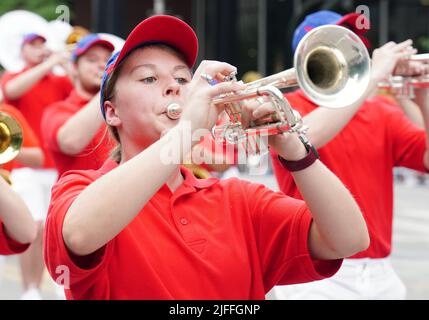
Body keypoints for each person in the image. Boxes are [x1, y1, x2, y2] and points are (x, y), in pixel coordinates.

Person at [43, 15, 369, 300]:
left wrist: (294, 148)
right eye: (149, 78)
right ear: (112, 112)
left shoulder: (239, 198)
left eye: (183, 79)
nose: (173, 87)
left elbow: (348, 239)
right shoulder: (81, 187)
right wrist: (186, 133)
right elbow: (80, 233)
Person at [268, 10, 429, 300]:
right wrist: (374, 76)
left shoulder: (381, 111)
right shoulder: (286, 106)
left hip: (380, 272)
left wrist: (420, 94)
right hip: (314, 271)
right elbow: (305, 137)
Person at [1, 32, 73, 300]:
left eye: (43, 43)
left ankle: (57, 282)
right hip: (26, 166)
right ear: (22, 51)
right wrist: (47, 63)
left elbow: (82, 90)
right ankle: (30, 289)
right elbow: (11, 91)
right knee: (33, 226)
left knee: (56, 228)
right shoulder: (14, 76)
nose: (41, 48)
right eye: (34, 44)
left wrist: (65, 62)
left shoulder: (59, 79)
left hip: (57, 164)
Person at [42, 34, 115, 178]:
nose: (102, 65)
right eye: (92, 60)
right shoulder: (57, 110)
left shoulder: (122, 110)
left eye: (108, 60)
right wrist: (108, 86)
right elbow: (71, 142)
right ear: (74, 68)